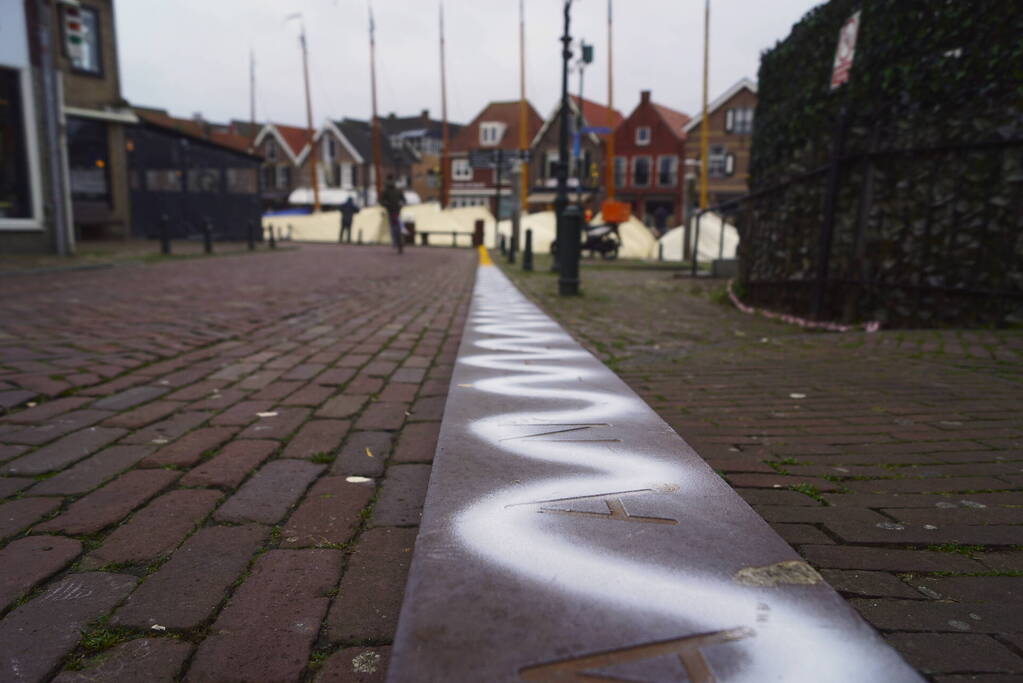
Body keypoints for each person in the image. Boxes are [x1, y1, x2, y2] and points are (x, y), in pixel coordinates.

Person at [380, 175, 406, 254]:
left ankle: (396, 242)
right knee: (398, 227)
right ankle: (399, 243)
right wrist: (400, 205)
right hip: (397, 211)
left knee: (394, 228)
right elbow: (403, 200)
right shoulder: (398, 190)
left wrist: (387, 205)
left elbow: (381, 201)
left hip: (392, 211)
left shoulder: (386, 191)